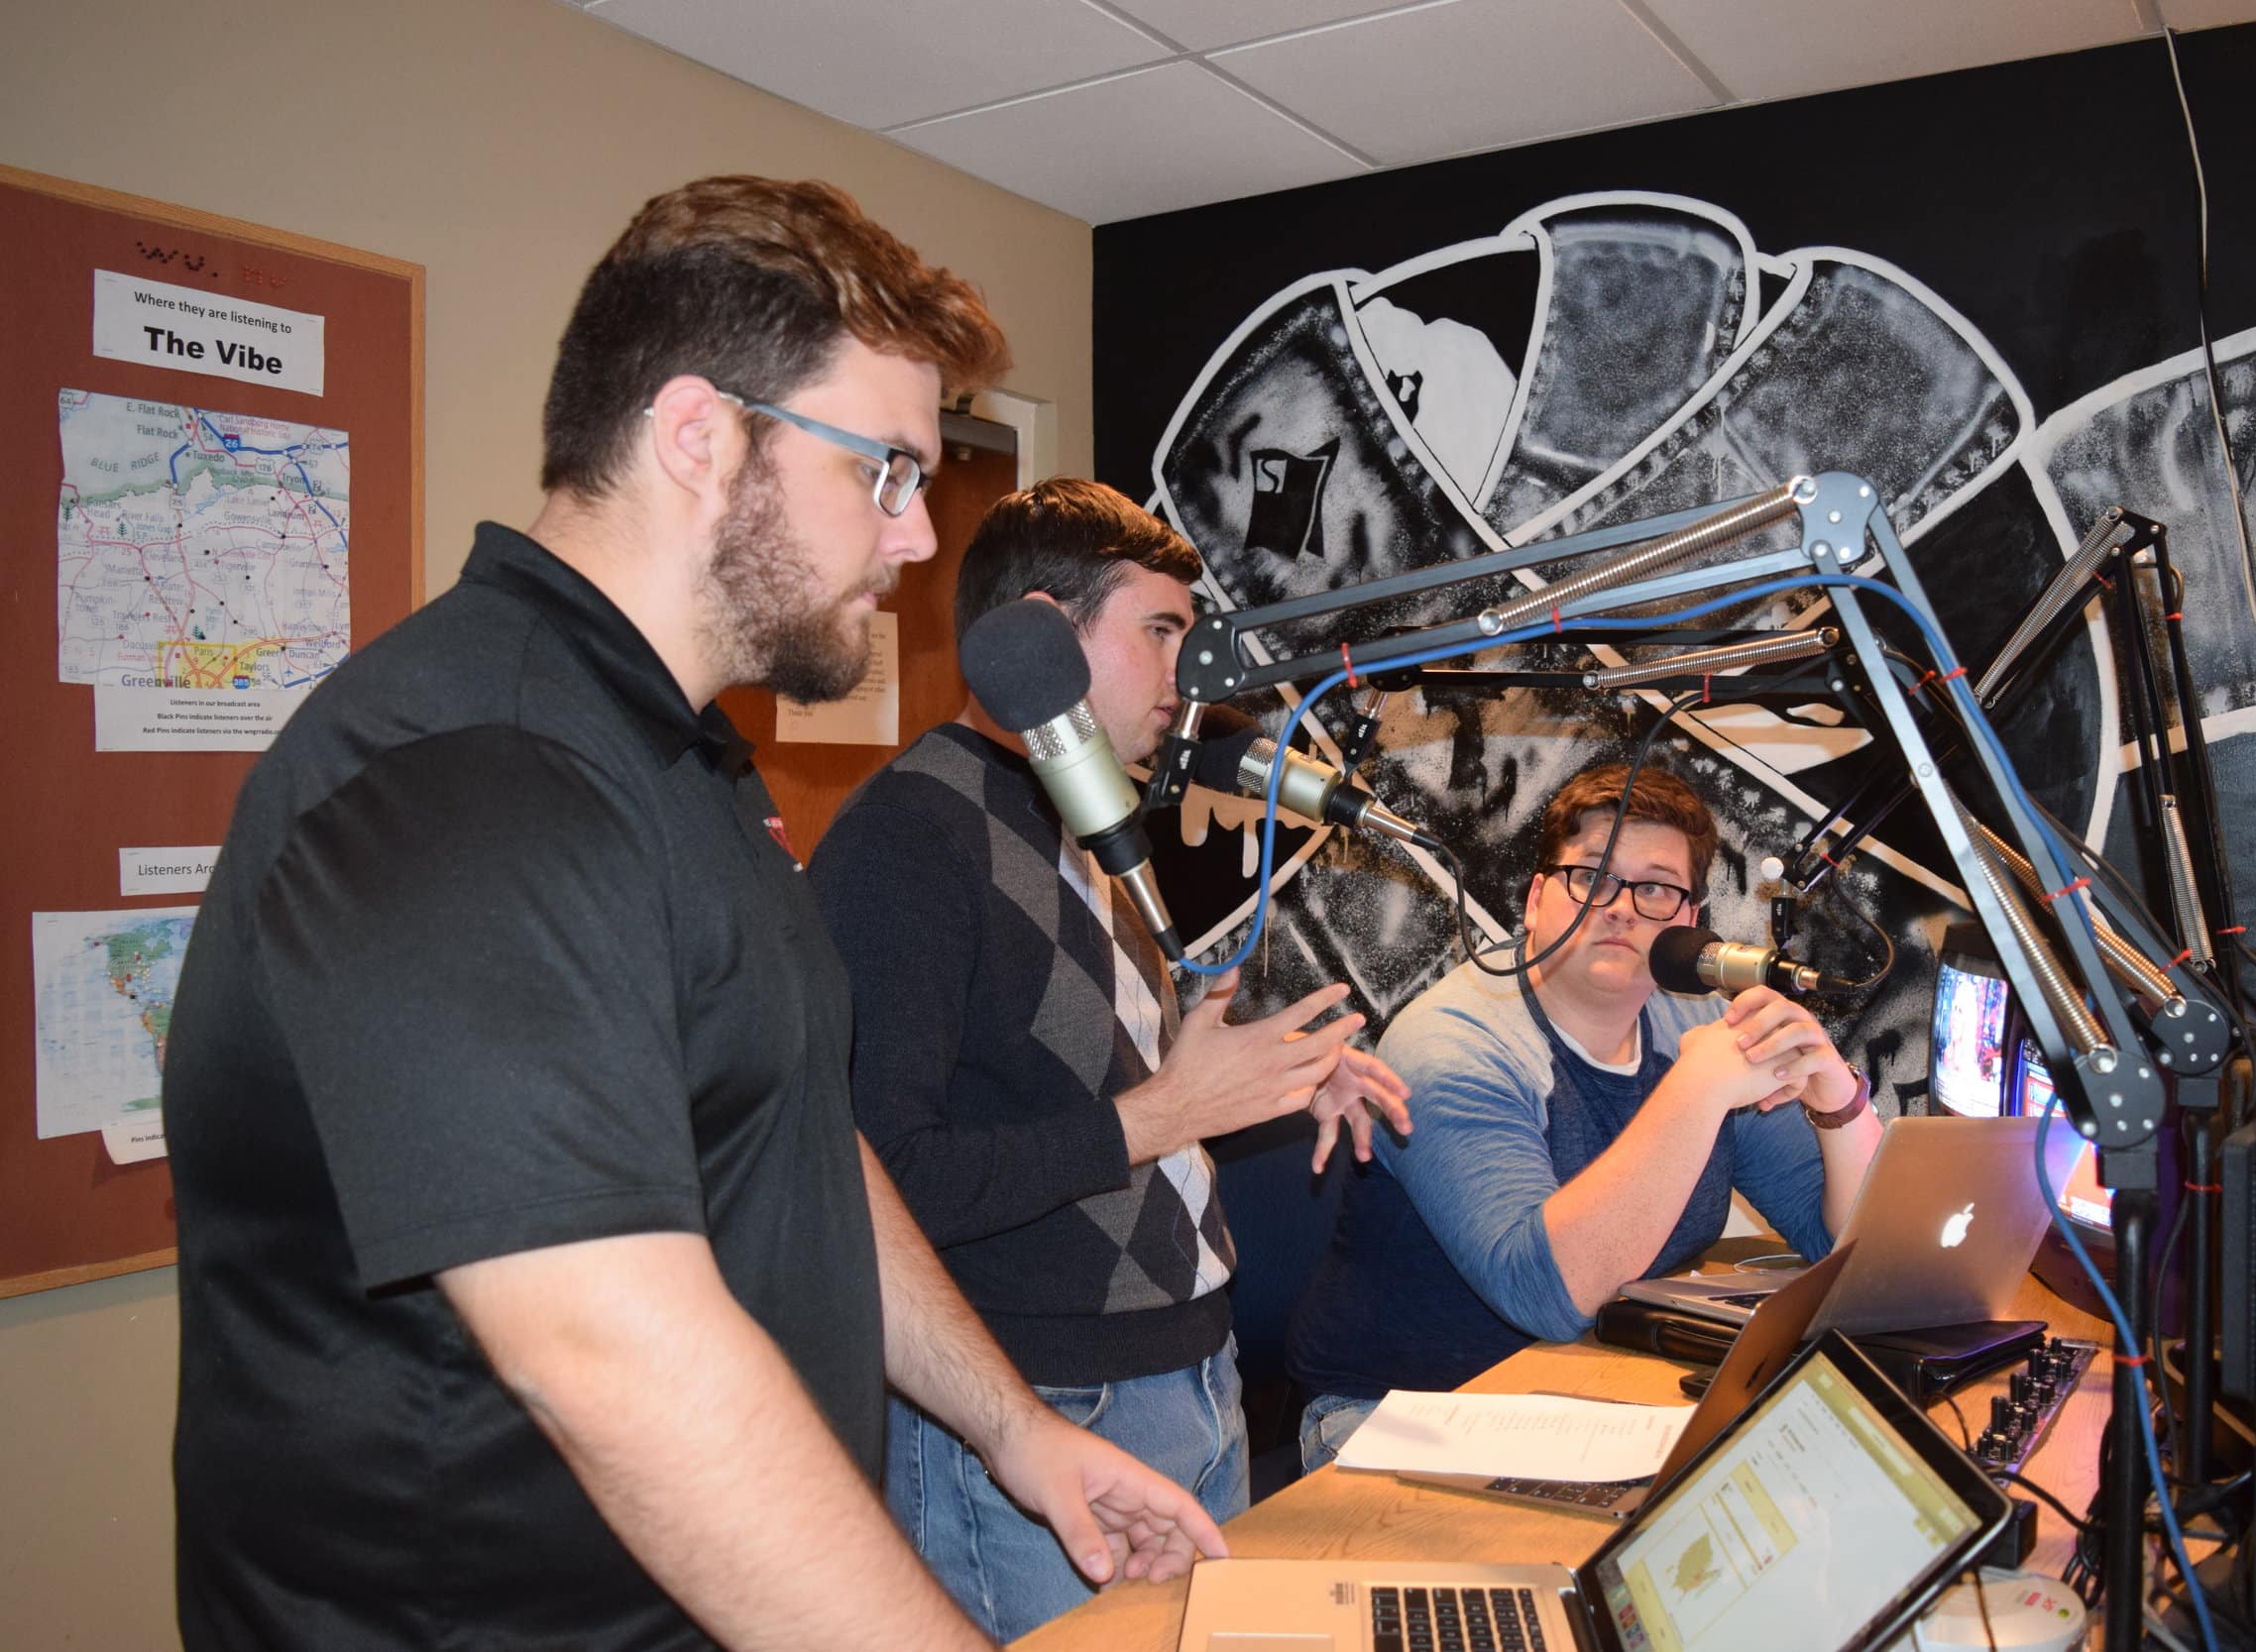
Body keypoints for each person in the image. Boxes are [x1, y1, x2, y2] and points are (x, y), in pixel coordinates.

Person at [163, 176, 1223, 1652]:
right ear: (697, 437)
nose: (916, 542)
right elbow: (611, 1357)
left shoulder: (682, 764)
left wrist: (1013, 1430)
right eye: (887, 472)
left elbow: (798, 1132)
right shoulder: (472, 773)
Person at [810, 477, 1411, 1640]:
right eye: (1161, 631)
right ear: (1040, 631)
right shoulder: (910, 836)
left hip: (1187, 1372)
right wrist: (1161, 1112)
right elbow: (879, 1177)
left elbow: (1106, 1077)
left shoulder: (1081, 819)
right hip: (1040, 1407)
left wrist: (1272, 1073)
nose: (1190, 675)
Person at [1285, 760, 1884, 1469]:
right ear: (1536, 899)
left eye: (1656, 888)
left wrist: (1837, 1100)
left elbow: (1844, 1249)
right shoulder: (1452, 1045)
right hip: (1402, 1417)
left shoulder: (1695, 1019)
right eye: (1591, 877)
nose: (1622, 907)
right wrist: (1695, 1088)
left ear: (1688, 923)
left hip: (1593, 1394)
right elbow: (1545, 1291)